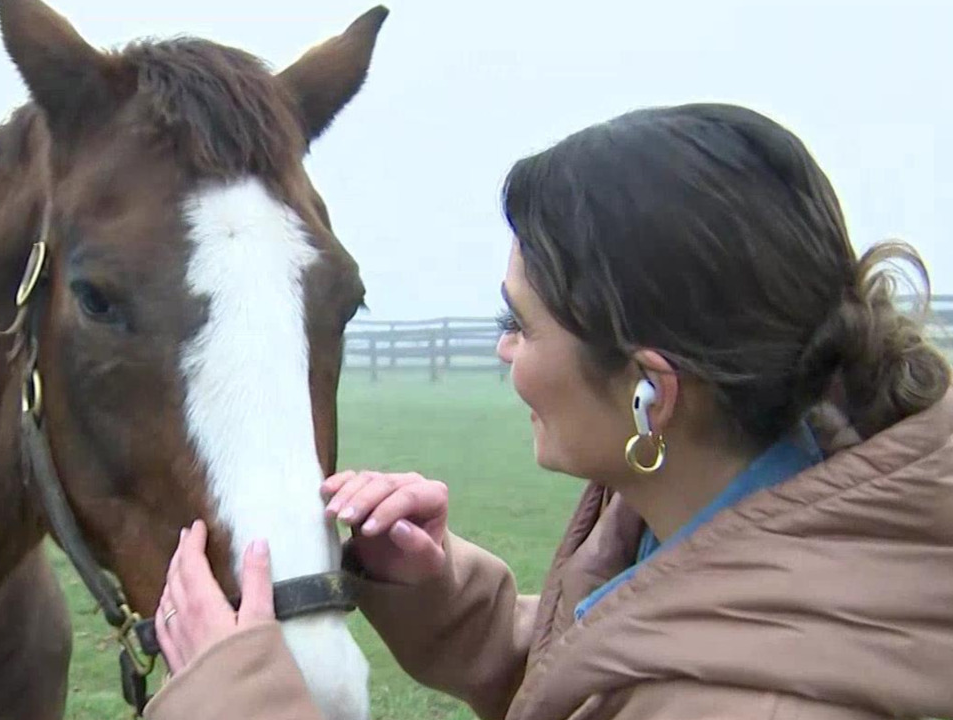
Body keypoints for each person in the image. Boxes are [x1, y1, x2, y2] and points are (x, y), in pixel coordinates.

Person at [144, 103, 953, 720]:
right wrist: (458, 607)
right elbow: (636, 668)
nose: (503, 352)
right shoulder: (745, 514)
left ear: (652, 395)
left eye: (518, 325)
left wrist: (240, 702)